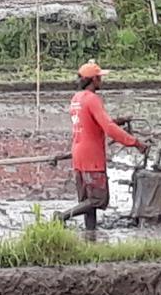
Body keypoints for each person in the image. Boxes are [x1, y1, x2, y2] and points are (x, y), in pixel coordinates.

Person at [60, 60, 147, 230]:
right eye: (99, 77)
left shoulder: (76, 99)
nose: (101, 81)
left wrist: (118, 121)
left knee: (86, 203)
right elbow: (108, 128)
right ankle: (62, 216)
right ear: (93, 80)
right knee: (98, 199)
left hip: (78, 154)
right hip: (92, 156)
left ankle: (90, 235)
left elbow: (92, 123)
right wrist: (135, 143)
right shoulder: (92, 99)